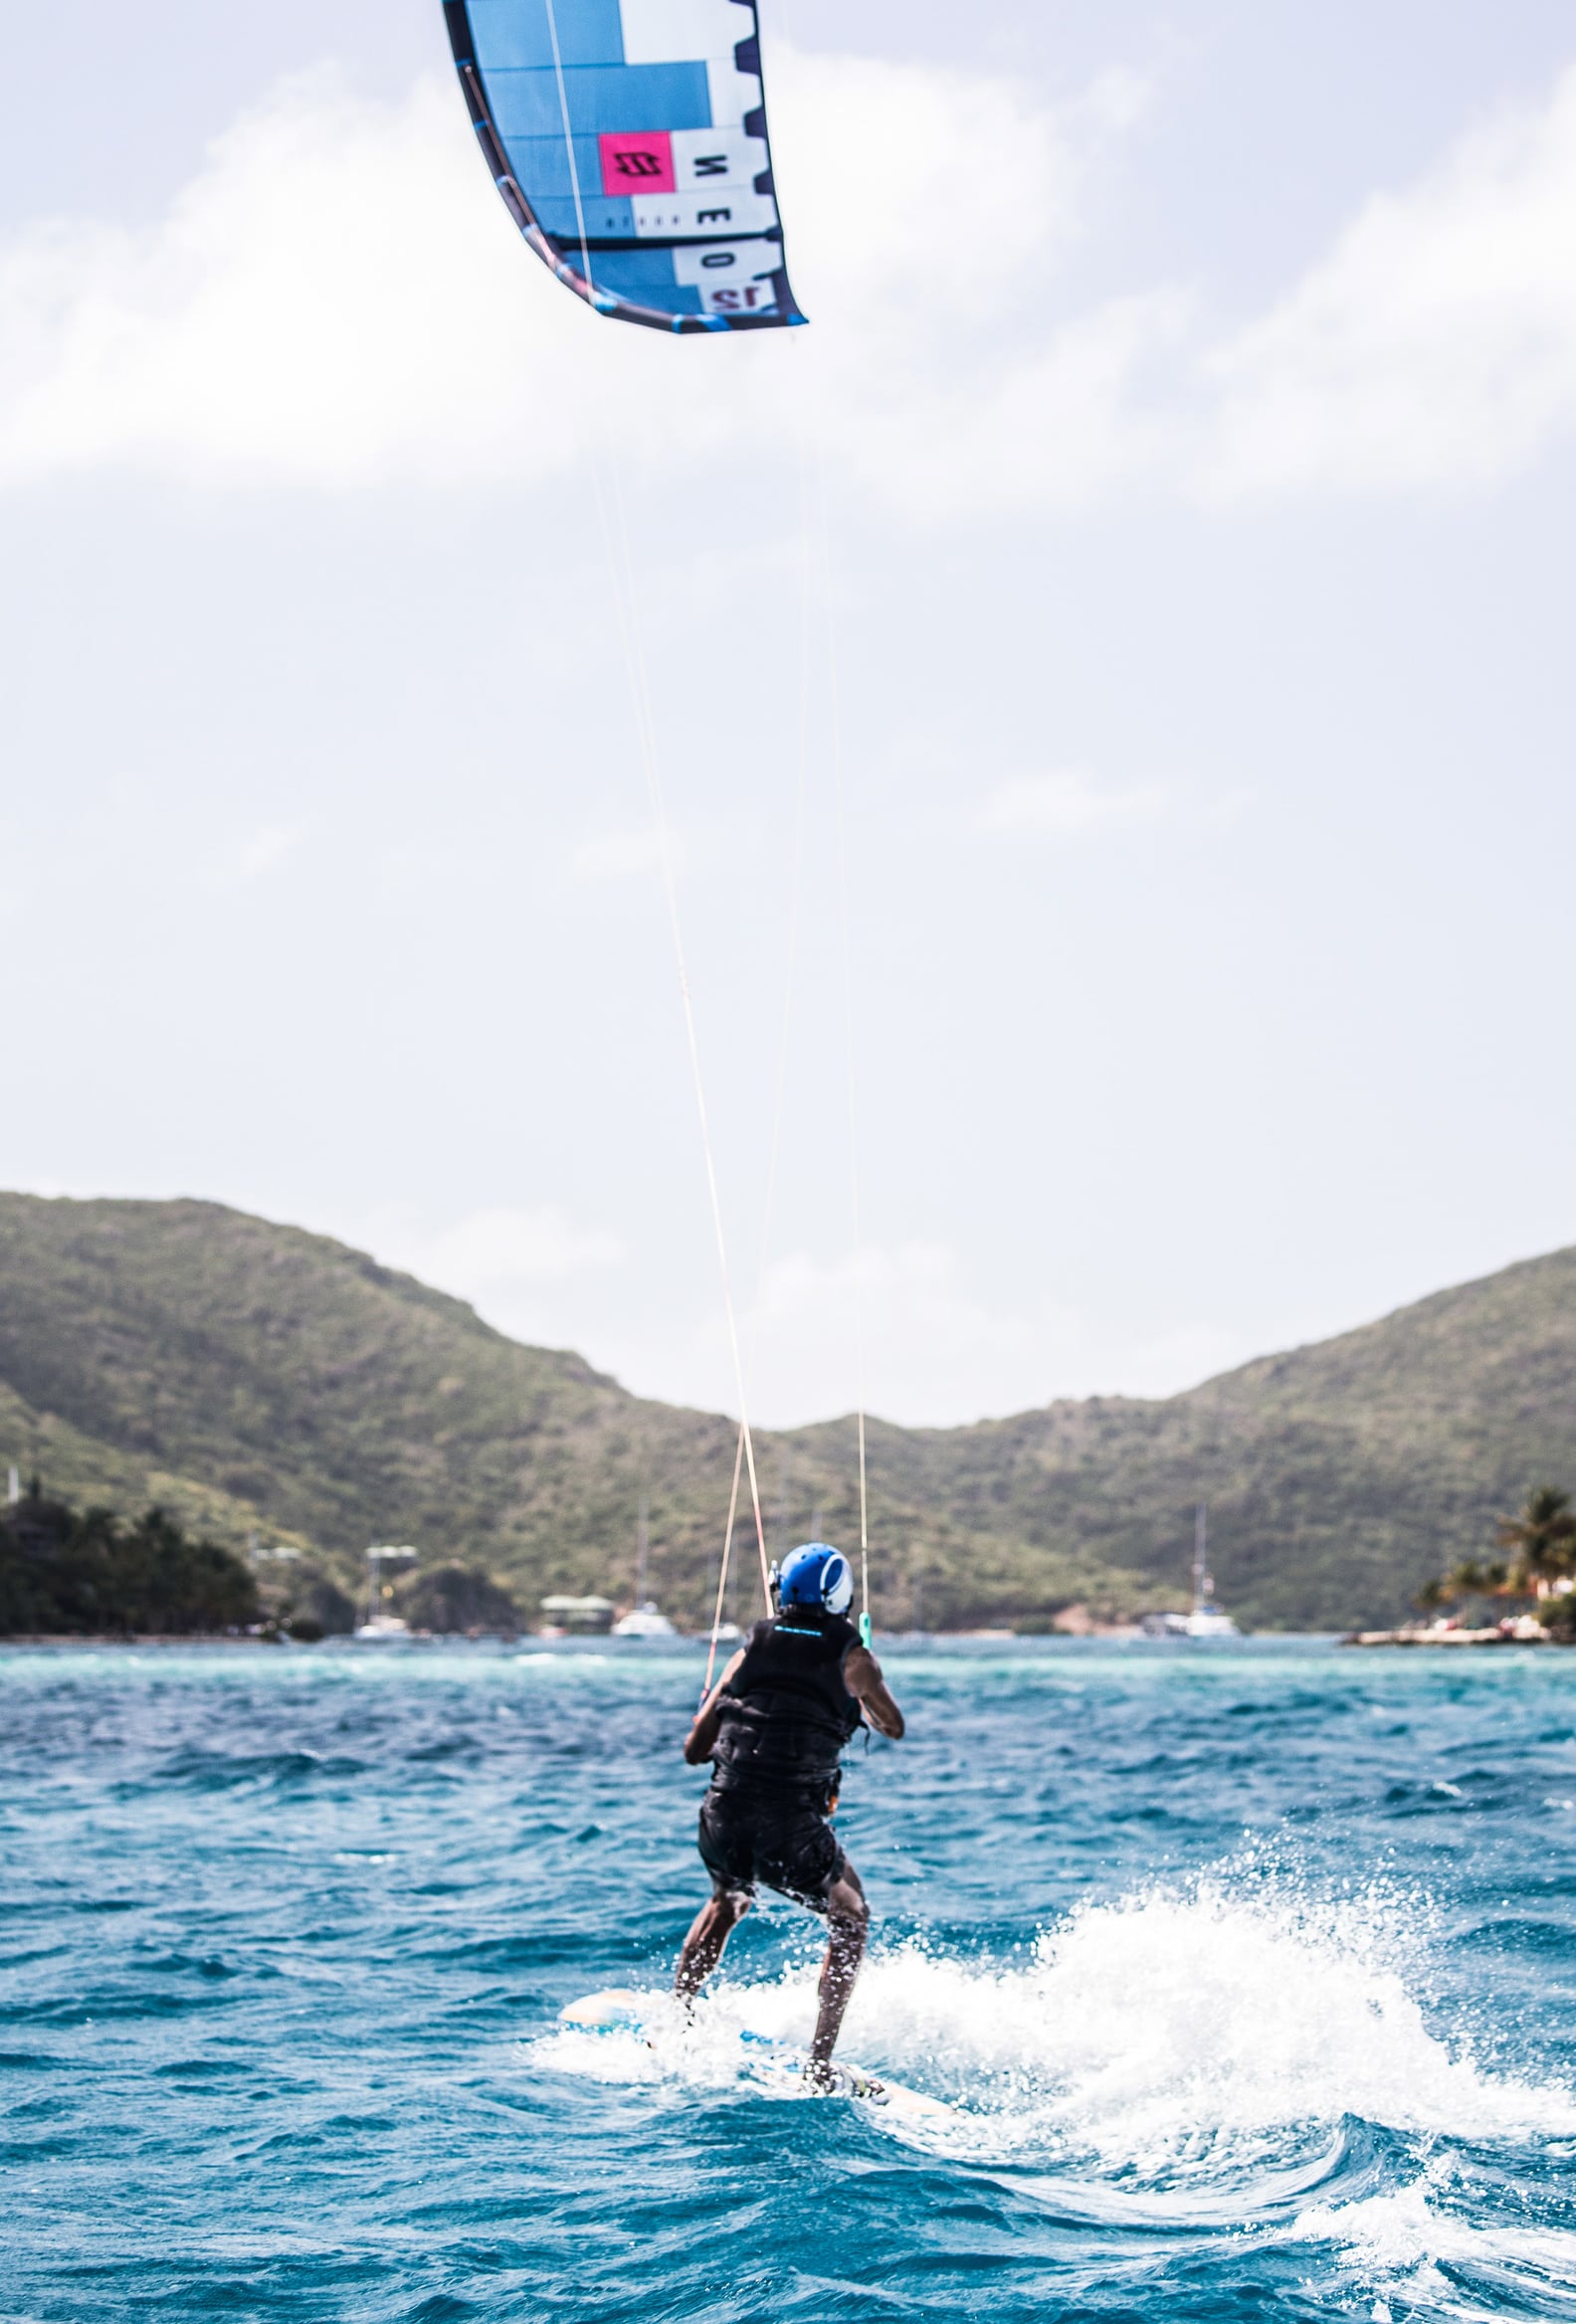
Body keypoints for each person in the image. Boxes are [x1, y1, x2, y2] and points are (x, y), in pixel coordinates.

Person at [676, 1541, 905, 2089]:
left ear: (783, 1592)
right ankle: (819, 2065)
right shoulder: (855, 1658)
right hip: (789, 1829)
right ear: (841, 1598)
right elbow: (892, 1727)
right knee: (851, 1918)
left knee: (727, 1899)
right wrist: (866, 1681)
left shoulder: (748, 1649)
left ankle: (678, 2019)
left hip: (722, 1819)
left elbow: (693, 1752)